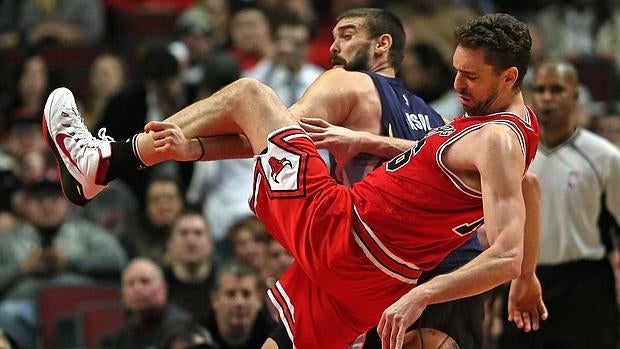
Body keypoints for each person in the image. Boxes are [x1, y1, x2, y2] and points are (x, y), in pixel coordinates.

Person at [42, 11, 547, 349]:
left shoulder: (353, 84)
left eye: (471, 76)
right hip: (378, 283)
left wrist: (428, 295)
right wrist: (526, 277)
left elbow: (268, 123)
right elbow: (523, 187)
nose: (456, 84)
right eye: (456, 71)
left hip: (347, 237)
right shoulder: (515, 132)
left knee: (250, 95)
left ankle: (106, 161)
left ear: (511, 77)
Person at [498, 61, 620, 348]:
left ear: (575, 96)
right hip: (524, 276)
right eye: (540, 90)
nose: (547, 97)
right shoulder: (512, 153)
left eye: (557, 89)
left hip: (586, 285)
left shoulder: (605, 158)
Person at [108, 257, 191, 349]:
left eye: (145, 282)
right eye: (130, 283)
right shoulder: (126, 331)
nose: (137, 289)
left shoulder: (180, 328)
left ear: (163, 288)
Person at [204, 261, 275, 349]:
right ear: (214, 300)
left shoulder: (277, 338)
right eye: (231, 294)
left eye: (246, 294)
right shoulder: (197, 336)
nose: (239, 302)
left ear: (259, 299)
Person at [164, 211, 218, 324]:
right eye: (183, 233)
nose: (191, 240)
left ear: (211, 244)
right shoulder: (159, 283)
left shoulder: (224, 282)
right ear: (170, 244)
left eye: (198, 233)